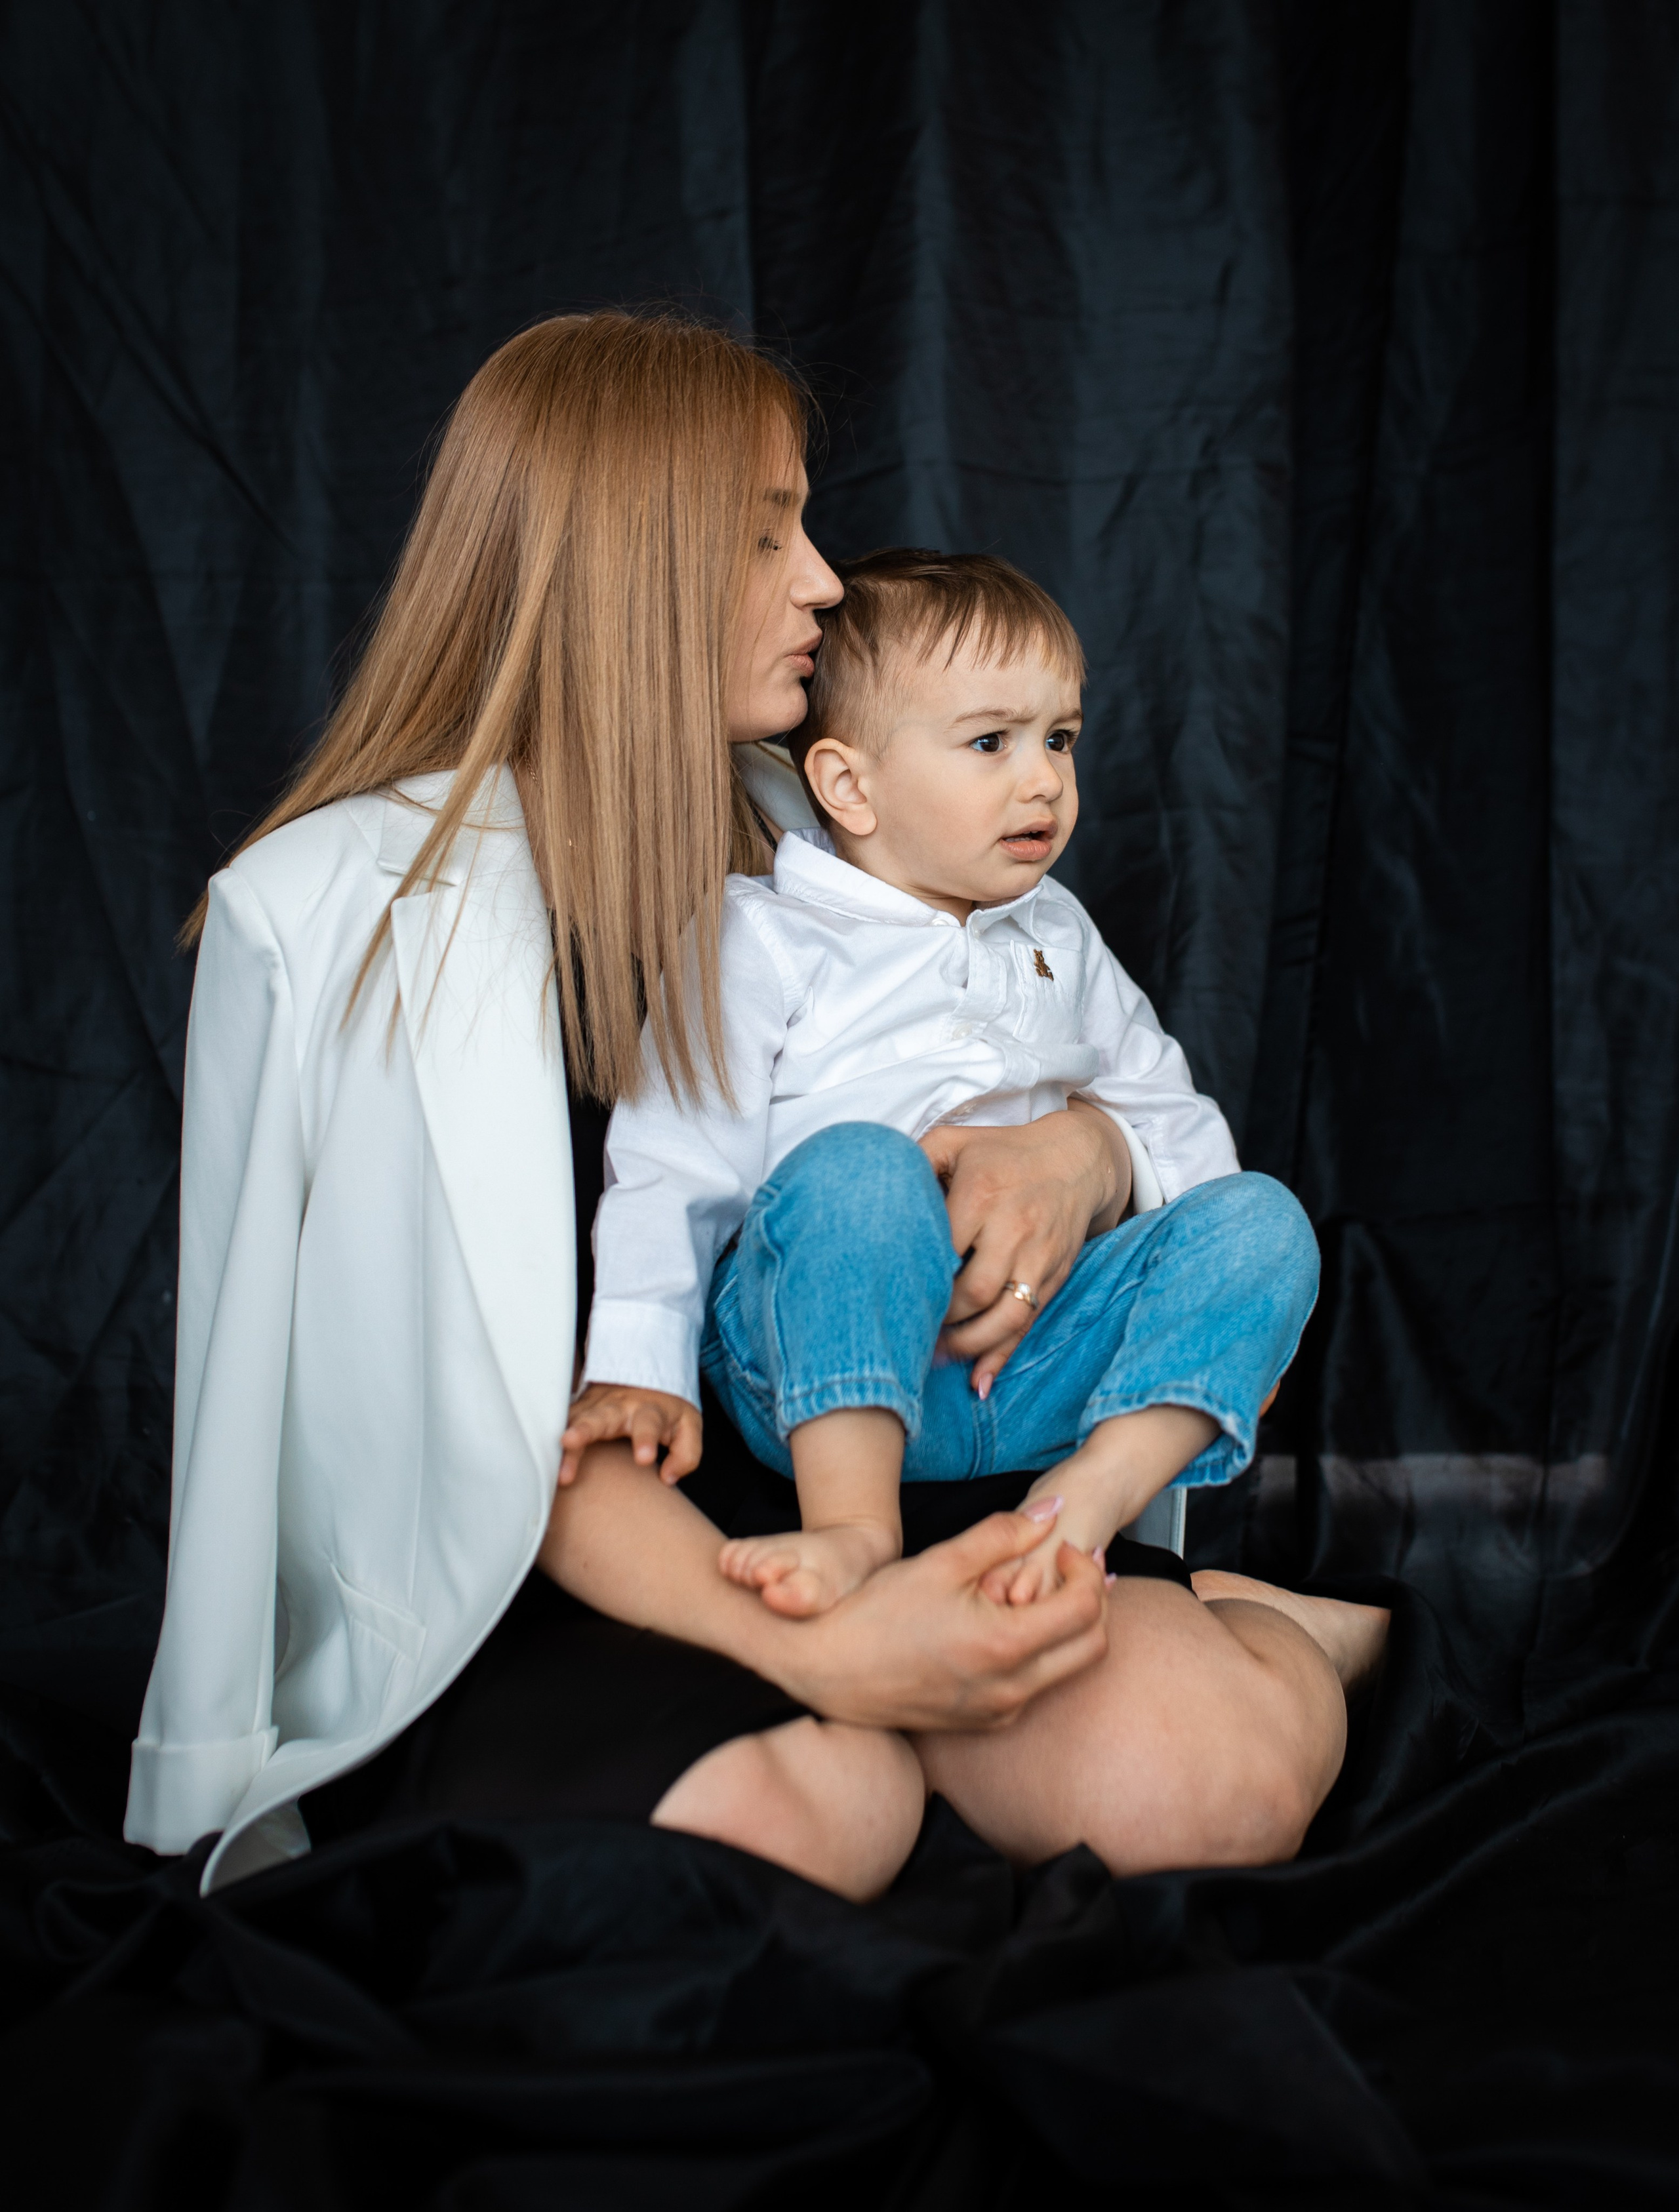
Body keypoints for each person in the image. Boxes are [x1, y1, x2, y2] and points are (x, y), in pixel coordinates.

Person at [124, 310, 1386, 1905]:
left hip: (912, 1453)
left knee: (1203, 1787)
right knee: (811, 1814)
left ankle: (1256, 1621)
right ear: (620, 566)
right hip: (583, 1559)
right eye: (764, 535)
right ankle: (997, 1665)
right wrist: (844, 1645)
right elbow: (438, 1435)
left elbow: (1085, 1065)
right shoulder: (328, 914)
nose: (824, 582)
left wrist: (1083, 1151)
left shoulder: (836, 823)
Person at [566, 549, 1318, 1620]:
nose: (1044, 779)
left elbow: (1165, 1108)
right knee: (860, 1171)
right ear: (850, 785)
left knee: (1266, 1219)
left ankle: (1077, 1507)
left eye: (1060, 737)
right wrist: (636, 1361)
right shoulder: (765, 935)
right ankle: (852, 1529)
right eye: (990, 743)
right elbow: (671, 1157)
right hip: (814, 1346)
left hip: (1033, 1356)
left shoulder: (1059, 928)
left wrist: (1232, 1317)